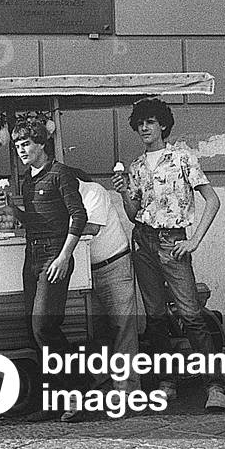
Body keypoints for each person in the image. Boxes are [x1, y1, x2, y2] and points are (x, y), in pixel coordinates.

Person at [111, 97, 225, 412]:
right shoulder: (135, 166)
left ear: (162, 124)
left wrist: (194, 241)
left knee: (191, 316)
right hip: (143, 243)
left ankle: (214, 387)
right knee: (156, 318)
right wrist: (124, 191)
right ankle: (166, 382)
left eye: (150, 121)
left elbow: (212, 201)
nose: (144, 127)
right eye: (140, 123)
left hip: (173, 242)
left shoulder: (182, 157)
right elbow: (135, 213)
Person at [0, 121, 88, 422]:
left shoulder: (61, 174)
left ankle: (75, 392)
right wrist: (13, 211)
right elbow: (33, 221)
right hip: (32, 256)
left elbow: (79, 215)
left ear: (41, 144)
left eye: (25, 144)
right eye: (17, 145)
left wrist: (65, 256)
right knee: (34, 330)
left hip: (54, 255)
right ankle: (52, 400)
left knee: (43, 326)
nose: (21, 149)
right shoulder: (26, 180)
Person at [68, 167, 140, 405]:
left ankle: (127, 388)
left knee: (123, 327)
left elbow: (91, 227)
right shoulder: (67, 200)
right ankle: (104, 379)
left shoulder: (93, 192)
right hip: (89, 272)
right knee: (98, 330)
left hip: (114, 265)